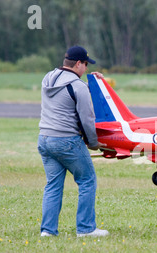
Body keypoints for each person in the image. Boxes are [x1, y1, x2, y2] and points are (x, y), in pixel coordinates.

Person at [38, 45, 109, 237]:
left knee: (53, 185)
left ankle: (48, 231)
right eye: (85, 64)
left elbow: (65, 96)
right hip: (66, 140)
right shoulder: (78, 86)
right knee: (87, 180)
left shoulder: (48, 78)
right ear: (78, 63)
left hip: (44, 138)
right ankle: (86, 229)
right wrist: (94, 143)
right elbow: (87, 119)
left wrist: (94, 83)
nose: (85, 68)